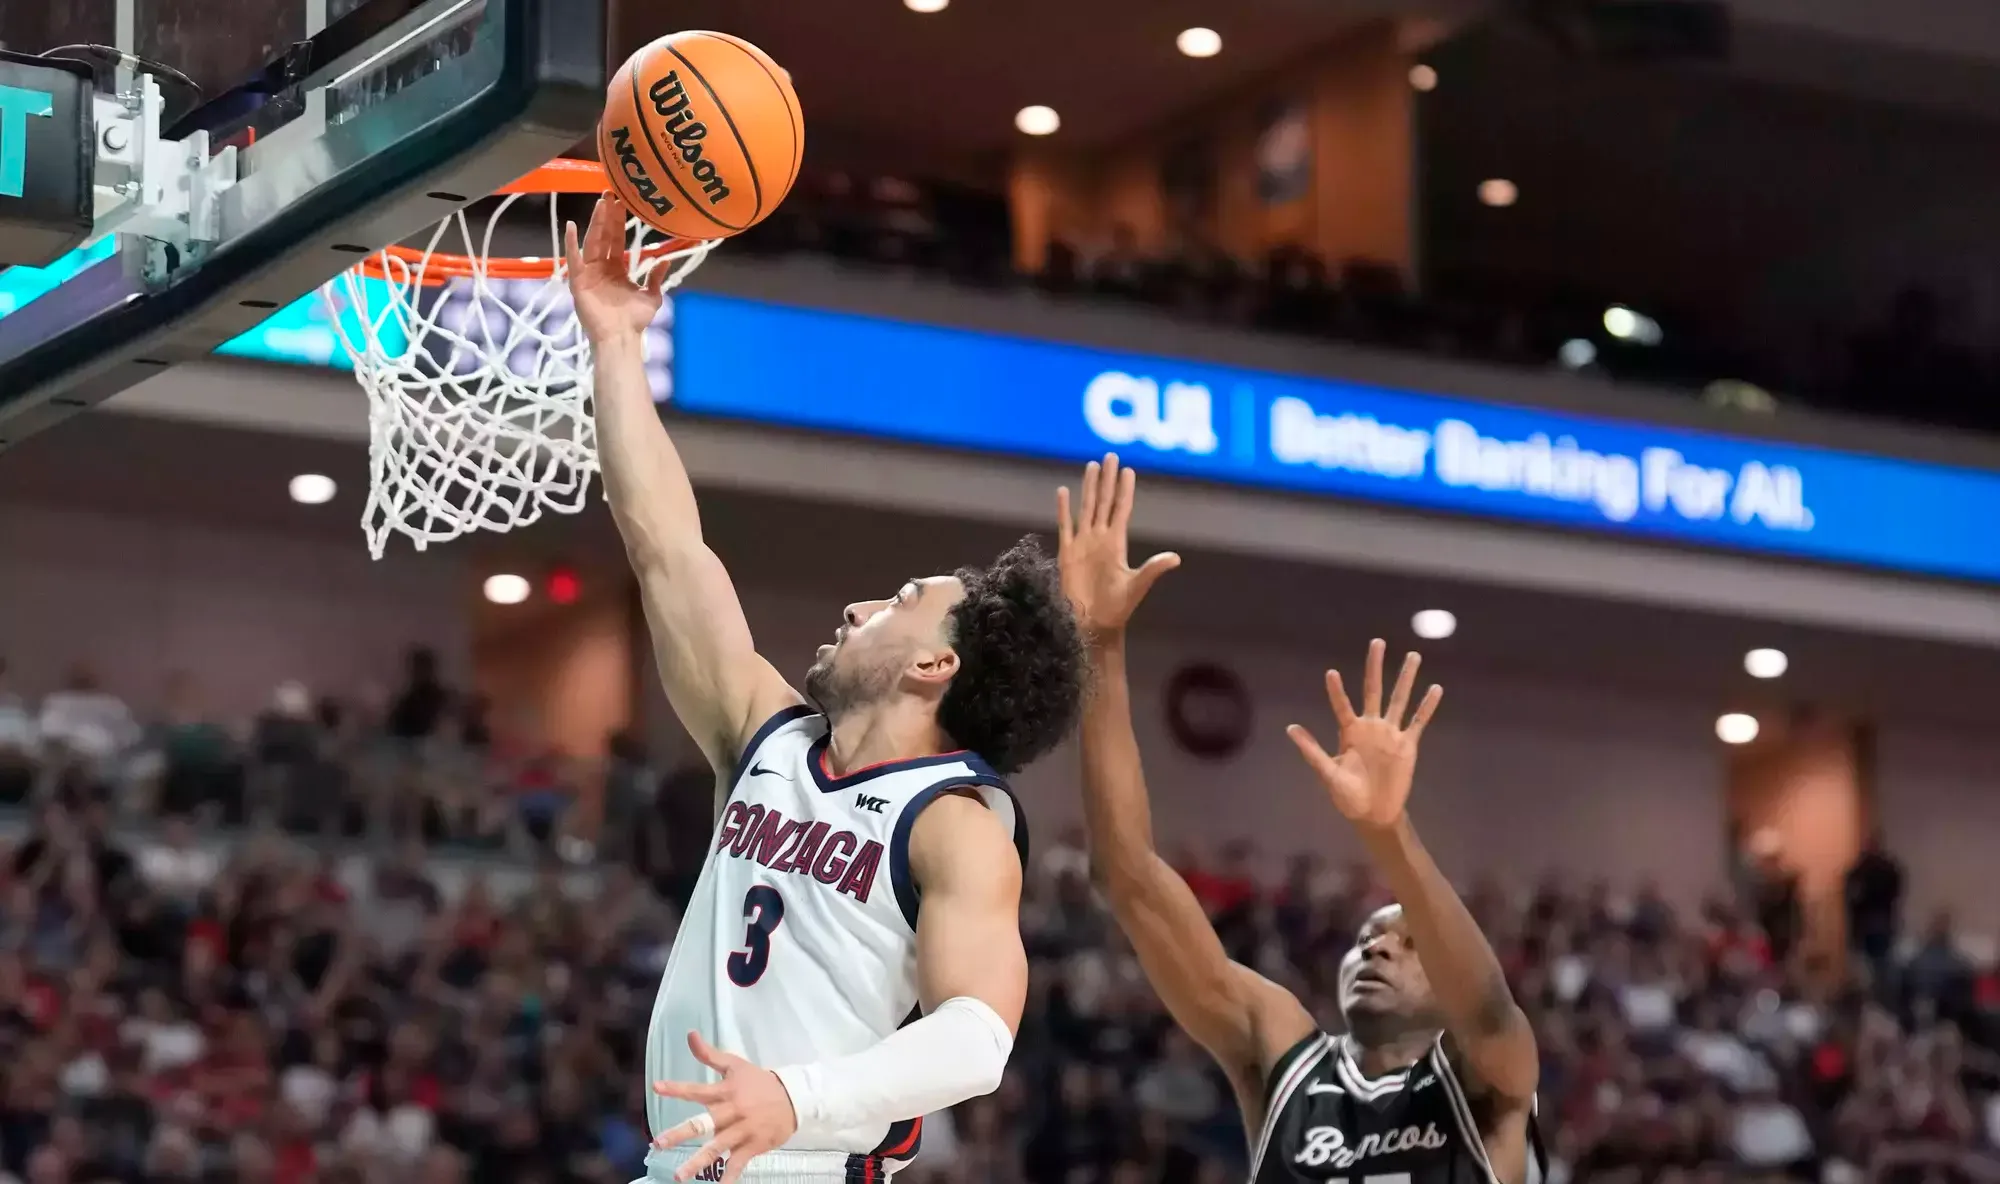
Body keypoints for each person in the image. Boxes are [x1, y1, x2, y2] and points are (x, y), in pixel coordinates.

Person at [563, 193, 1088, 1184]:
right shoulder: (764, 735)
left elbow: (976, 1037)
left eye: (899, 599)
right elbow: (667, 549)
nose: (856, 606)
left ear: (937, 664)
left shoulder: (954, 821)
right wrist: (618, 347)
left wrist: (795, 1096)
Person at [1057, 454, 1542, 1184]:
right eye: (1369, 938)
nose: (1378, 950)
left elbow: (1490, 1008)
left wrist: (1387, 832)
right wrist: (1099, 644)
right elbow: (1127, 877)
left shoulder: (1488, 1081)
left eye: (1409, 944)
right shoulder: (1284, 1051)